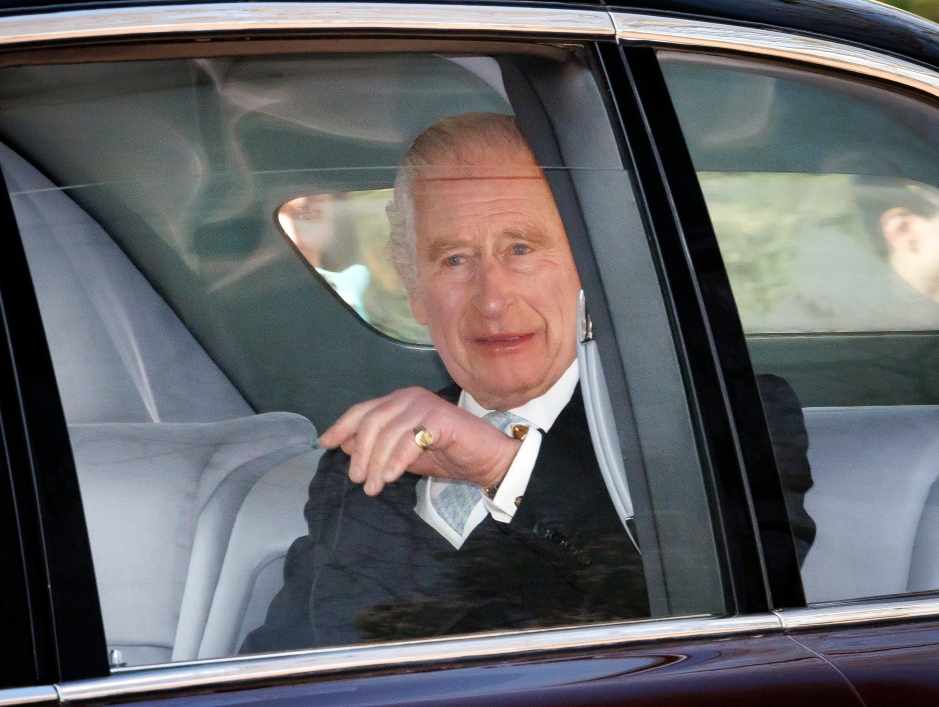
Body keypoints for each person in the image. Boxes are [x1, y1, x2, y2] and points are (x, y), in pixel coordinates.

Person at [242, 112, 811, 652]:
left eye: (520, 249)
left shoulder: (722, 420)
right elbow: (279, 669)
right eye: (454, 260)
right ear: (414, 292)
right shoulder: (366, 462)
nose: (491, 299)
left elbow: (723, 618)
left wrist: (502, 466)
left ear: (588, 269)